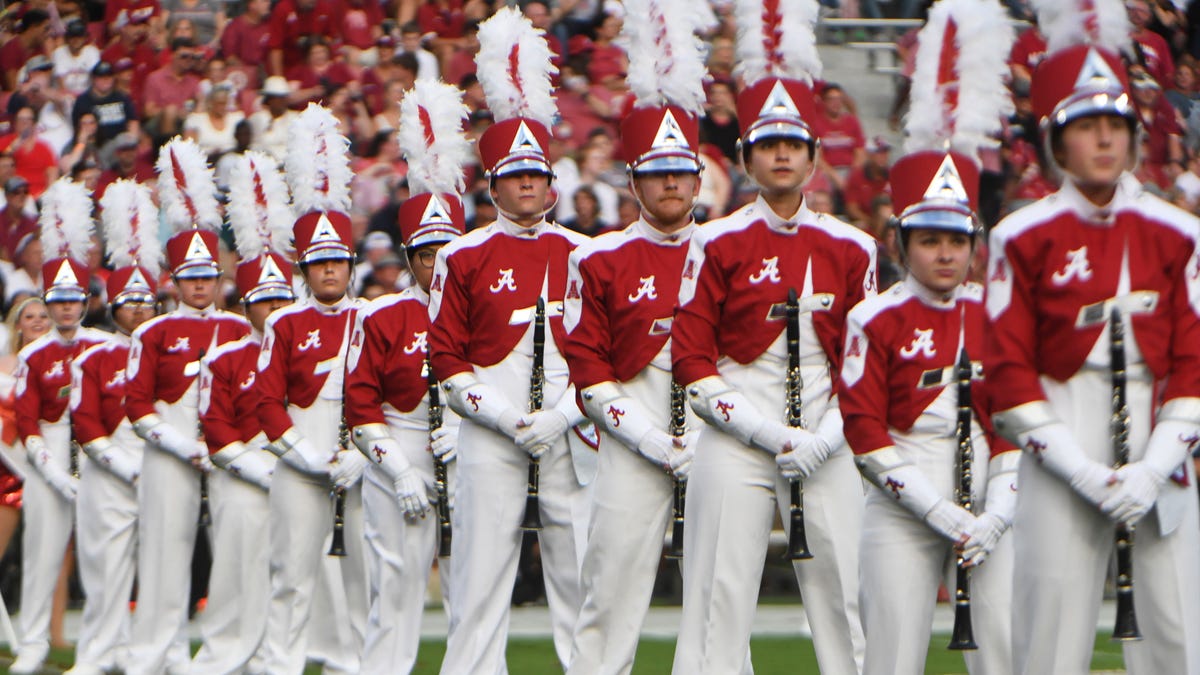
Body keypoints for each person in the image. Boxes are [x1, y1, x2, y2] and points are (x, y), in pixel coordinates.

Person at [986, 4, 1200, 673]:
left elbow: (1195, 356)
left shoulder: (1179, 231)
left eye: (1117, 125)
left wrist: (1157, 460)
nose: (1104, 141)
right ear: (1058, 142)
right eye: (1087, 128)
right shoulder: (1019, 237)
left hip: (1159, 440)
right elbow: (1005, 367)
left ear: (1137, 137)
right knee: (1047, 639)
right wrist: (1077, 468)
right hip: (1058, 440)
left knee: (1178, 637)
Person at [670, 1, 875, 672]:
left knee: (845, 598)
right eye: (768, 145)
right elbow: (692, 359)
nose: (782, 155)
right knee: (717, 599)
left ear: (814, 157)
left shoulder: (855, 245)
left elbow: (865, 361)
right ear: (746, 157)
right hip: (737, 434)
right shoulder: (715, 241)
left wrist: (825, 435)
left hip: (830, 431)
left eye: (794, 144)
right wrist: (769, 435)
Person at [841, 5, 1016, 673]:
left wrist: (997, 508)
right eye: (930, 240)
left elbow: (1016, 417)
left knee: (1005, 650)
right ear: (902, 243)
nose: (946, 254)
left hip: (990, 491)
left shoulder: (997, 314)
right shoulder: (875, 317)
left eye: (956, 241)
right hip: (903, 496)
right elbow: (863, 426)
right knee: (891, 656)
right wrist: (937, 509)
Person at [430, 9, 591, 672]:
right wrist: (502, 415)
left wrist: (562, 413)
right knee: (478, 577)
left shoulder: (588, 252)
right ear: (494, 184)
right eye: (516, 176)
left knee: (581, 574)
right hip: (490, 426)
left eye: (538, 175)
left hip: (571, 428)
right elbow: (445, 354)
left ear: (552, 183)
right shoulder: (460, 257)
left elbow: (605, 353)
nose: (529, 184)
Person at [563, 3, 705, 670]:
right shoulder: (598, 258)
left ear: (700, 178)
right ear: (632, 180)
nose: (670, 182)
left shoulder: (729, 250)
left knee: (718, 597)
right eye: (656, 172)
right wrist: (646, 435)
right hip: (629, 439)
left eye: (680, 171)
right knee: (608, 595)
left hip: (719, 437)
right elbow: (585, 361)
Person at [345, 79, 469, 674]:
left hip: (471, 447)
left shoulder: (481, 312)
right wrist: (399, 469)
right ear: (408, 256)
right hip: (401, 448)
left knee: (474, 588)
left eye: (449, 250)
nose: (439, 264)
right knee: (395, 589)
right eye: (427, 254)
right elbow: (360, 402)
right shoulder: (379, 314)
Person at [124, 139, 250, 675]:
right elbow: (135, 402)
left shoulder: (242, 328)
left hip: (232, 450)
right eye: (190, 277)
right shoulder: (152, 331)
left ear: (220, 279)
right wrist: (181, 445)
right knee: (163, 554)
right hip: (170, 447)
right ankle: (157, 654)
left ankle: (229, 652)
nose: (200, 285)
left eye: (208, 276)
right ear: (174, 281)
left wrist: (227, 447)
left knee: (235, 553)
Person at [258, 105, 368, 674]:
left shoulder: (373, 316)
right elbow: (265, 402)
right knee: (292, 572)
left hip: (362, 453)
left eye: (338, 263)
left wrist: (358, 452)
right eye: (319, 264)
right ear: (303, 269)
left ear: (351, 266)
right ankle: (282, 664)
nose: (330, 272)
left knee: (363, 572)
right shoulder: (283, 324)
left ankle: (356, 663)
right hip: (302, 453)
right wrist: (307, 456)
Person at [190, 151, 293, 674]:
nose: (273, 310)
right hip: (238, 471)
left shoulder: (304, 347)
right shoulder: (225, 354)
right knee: (234, 568)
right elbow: (213, 420)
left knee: (290, 570)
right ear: (246, 304)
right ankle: (224, 652)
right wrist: (254, 466)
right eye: (264, 301)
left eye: (281, 300)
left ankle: (276, 657)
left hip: (295, 469)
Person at [10, 179, 109, 675]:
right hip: (48, 452)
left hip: (97, 454)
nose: (67, 307)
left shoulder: (104, 348)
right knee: (41, 554)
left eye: (74, 299)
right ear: (46, 304)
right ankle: (33, 645)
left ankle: (95, 648)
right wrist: (49, 470)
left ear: (85, 302)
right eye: (58, 300)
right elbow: (26, 418)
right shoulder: (32, 354)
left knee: (97, 558)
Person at [68, 180, 161, 675]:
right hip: (109, 472)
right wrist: (122, 464)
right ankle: (99, 653)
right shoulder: (95, 355)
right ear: (113, 307)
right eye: (129, 303)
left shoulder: (171, 350)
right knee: (106, 570)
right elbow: (84, 420)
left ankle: (150, 652)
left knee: (161, 569)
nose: (139, 311)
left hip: (162, 467)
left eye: (146, 302)